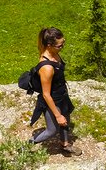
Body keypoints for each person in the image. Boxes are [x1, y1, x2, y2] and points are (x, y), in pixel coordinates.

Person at [29, 27, 81, 156]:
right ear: (49, 45)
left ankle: (65, 145)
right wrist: (57, 115)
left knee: (66, 119)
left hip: (61, 95)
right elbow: (46, 94)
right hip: (52, 100)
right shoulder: (46, 67)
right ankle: (29, 143)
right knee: (52, 130)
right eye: (59, 45)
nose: (62, 47)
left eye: (63, 43)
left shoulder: (54, 54)